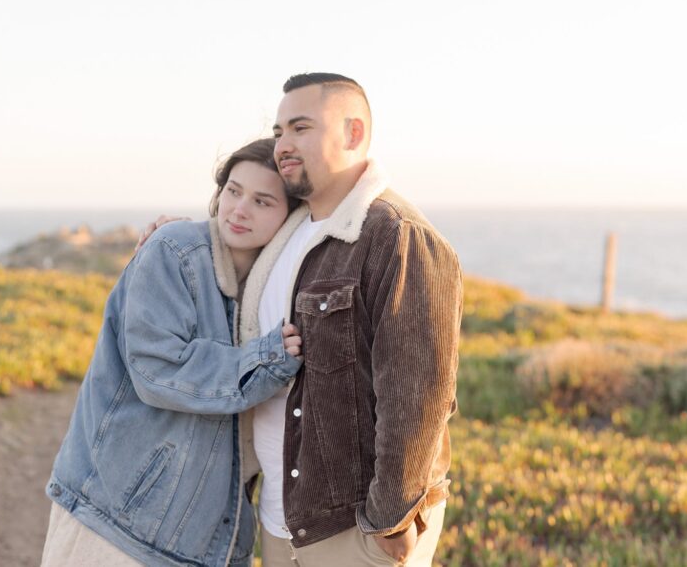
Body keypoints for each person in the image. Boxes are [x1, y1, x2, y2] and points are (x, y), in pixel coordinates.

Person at [139, 74, 462, 566]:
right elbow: (240, 244)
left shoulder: (397, 236)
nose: (283, 145)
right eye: (279, 130)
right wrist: (180, 234)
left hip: (351, 527)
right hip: (281, 513)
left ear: (353, 134)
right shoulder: (294, 230)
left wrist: (390, 520)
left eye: (301, 127)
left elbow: (418, 395)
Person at [42, 138, 309, 567]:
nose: (239, 209)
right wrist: (263, 361)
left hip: (202, 541)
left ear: (291, 218)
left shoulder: (271, 292)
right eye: (233, 191)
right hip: (116, 522)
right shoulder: (175, 251)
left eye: (262, 201)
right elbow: (158, 369)